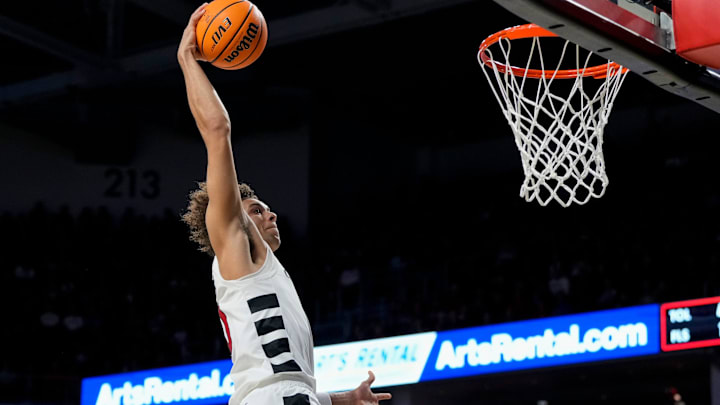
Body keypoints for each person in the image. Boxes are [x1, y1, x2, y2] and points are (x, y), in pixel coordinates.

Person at [178, 4, 392, 405]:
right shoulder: (236, 250)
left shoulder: (261, 272)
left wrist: (343, 400)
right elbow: (217, 130)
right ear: (236, 219)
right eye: (257, 209)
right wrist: (187, 58)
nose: (271, 213)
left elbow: (282, 376)